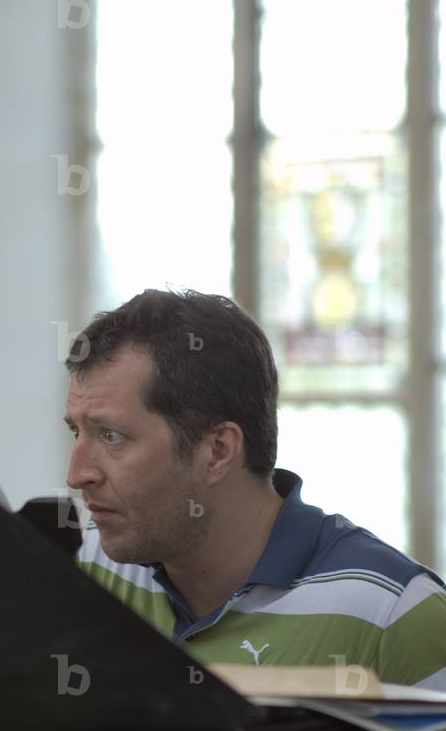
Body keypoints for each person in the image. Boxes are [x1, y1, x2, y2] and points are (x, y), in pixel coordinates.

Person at [63, 288, 446, 690]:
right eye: (77, 431)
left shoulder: (396, 613)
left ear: (217, 450)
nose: (76, 474)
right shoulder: (80, 571)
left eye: (111, 435)